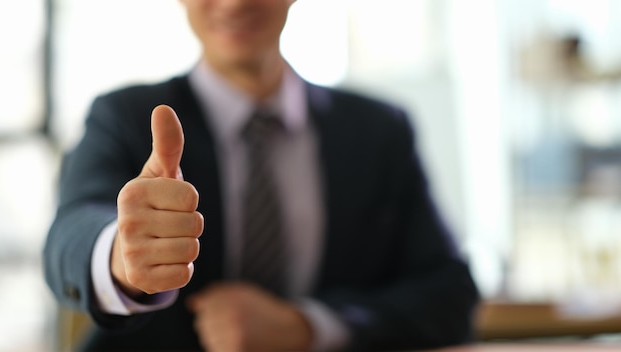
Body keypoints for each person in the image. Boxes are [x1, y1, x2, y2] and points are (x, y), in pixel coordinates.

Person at [43, 0, 479, 351]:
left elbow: (449, 294)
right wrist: (121, 253)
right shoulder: (124, 117)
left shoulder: (380, 130)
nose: (234, 4)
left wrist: (308, 327)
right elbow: (70, 233)